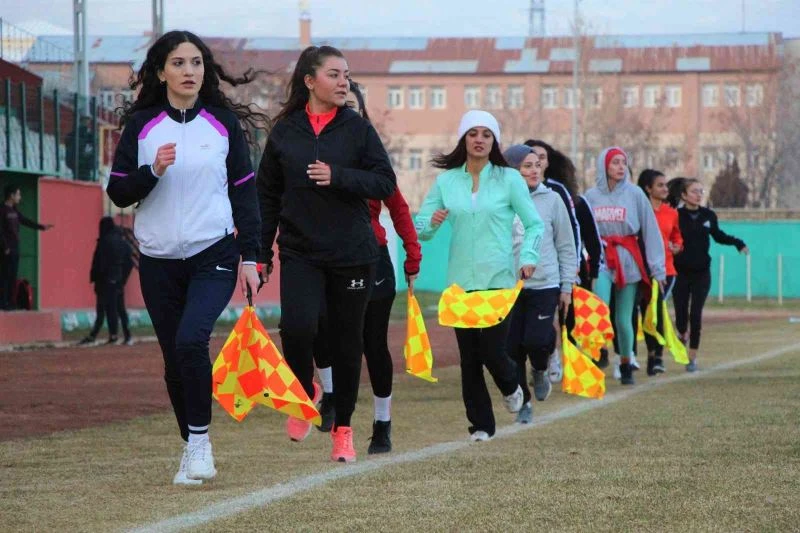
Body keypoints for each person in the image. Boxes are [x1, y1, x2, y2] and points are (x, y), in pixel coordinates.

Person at [106, 30, 265, 485]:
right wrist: (152, 171)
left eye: (196, 62)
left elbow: (244, 194)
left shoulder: (222, 124)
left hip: (213, 251)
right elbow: (118, 192)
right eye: (178, 63)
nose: (189, 71)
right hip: (157, 259)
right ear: (161, 72)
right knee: (174, 357)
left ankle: (199, 444)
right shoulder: (142, 126)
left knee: (192, 340)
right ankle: (191, 443)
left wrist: (250, 258)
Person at [257, 46, 396, 463]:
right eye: (334, 74)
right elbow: (266, 196)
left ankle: (343, 430)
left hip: (352, 253)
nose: (343, 83)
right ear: (309, 81)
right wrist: (260, 253)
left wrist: (339, 176)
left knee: (346, 342)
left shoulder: (358, 129)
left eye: (346, 75)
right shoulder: (285, 132)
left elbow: (384, 182)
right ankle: (304, 391)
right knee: (297, 329)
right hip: (300, 251)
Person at [415, 110, 544, 441]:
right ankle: (481, 426)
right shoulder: (447, 181)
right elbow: (421, 228)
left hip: (498, 280)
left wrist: (528, 257)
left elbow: (534, 224)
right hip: (460, 283)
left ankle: (511, 385)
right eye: (473, 133)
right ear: (463, 138)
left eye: (486, 134)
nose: (479, 139)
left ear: (494, 141)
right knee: (469, 359)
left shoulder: (509, 179)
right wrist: (431, 222)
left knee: (492, 351)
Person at [312, 81, 422, 454]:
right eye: (341, 106)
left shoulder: (372, 159)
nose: (347, 114)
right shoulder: (313, 152)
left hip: (372, 257)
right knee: (317, 326)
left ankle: (382, 424)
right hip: (326, 258)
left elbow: (399, 207)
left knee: (372, 344)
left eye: (354, 108)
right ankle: (329, 395)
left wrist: (412, 253)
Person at [504, 145, 576, 423]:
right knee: (512, 349)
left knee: (535, 340)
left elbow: (566, 245)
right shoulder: (501, 201)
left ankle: (540, 367)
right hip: (509, 287)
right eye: (527, 166)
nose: (534, 170)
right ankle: (525, 403)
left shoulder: (553, 199)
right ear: (513, 171)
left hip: (545, 283)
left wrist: (567, 286)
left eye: (537, 165)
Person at [584, 147, 666, 385]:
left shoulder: (635, 194)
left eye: (623, 162)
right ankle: (599, 351)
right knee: (599, 307)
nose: (621, 167)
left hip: (628, 258)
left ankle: (626, 363)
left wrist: (657, 268)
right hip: (601, 257)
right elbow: (582, 230)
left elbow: (650, 230)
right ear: (604, 165)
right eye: (615, 162)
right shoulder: (591, 196)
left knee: (623, 317)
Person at [525, 140, 604, 370]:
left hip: (558, 269)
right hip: (525, 275)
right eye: (531, 159)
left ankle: (565, 360)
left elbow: (572, 230)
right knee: (535, 326)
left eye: (542, 158)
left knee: (566, 316)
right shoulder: (513, 191)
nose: (537, 163)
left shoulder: (557, 191)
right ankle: (548, 355)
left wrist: (574, 265)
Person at [668, 177, 748, 372]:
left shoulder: (708, 215)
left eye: (701, 191)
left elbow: (718, 236)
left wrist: (738, 243)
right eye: (694, 191)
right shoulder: (675, 215)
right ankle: (682, 333)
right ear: (684, 195)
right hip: (680, 272)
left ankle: (692, 358)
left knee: (695, 314)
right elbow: (667, 237)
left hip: (701, 273)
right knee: (680, 316)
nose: (698, 195)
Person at [637, 169, 683, 375]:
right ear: (648, 188)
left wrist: (677, 246)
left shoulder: (671, 213)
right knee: (646, 310)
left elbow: (677, 237)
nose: (665, 189)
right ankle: (651, 354)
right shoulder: (640, 211)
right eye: (660, 185)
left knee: (656, 309)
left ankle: (657, 357)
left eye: (666, 185)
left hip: (666, 270)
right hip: (642, 270)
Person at [79, 217, 135, 346]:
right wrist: (122, 279)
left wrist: (96, 278)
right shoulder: (122, 242)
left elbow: (99, 263)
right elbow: (129, 262)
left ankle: (107, 335)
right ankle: (126, 335)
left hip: (104, 281)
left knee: (104, 309)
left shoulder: (104, 242)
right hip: (118, 280)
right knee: (120, 308)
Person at [0, 185, 54, 310]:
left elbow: (25, 221)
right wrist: (5, 246)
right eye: (18, 194)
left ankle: (10, 302)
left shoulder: (14, 210)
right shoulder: (2, 209)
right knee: (4, 276)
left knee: (12, 275)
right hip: (5, 250)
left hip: (15, 248)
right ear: (11, 195)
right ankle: (2, 302)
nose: (20, 197)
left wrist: (41, 227)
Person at [66, 115, 96, 181]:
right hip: (81, 168)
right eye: (85, 119)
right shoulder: (90, 137)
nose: (86, 122)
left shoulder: (90, 137)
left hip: (81, 168)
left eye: (87, 119)